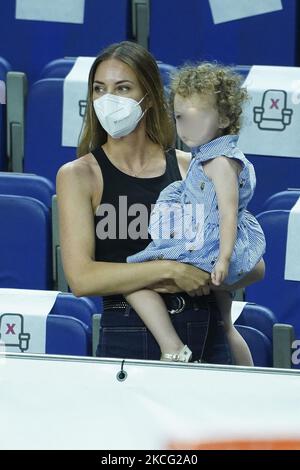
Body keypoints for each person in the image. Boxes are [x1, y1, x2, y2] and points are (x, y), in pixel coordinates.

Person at [56, 42, 265, 363]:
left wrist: (201, 274)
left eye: (122, 88)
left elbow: (253, 265)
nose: (108, 99)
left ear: (150, 97)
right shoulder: (78, 175)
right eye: (99, 89)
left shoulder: (191, 167)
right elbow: (81, 279)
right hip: (127, 333)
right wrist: (170, 271)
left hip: (206, 327)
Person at [126, 63, 266, 365]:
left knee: (133, 279)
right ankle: (248, 377)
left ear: (225, 118)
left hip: (209, 246)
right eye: (179, 118)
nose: (185, 127)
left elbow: (229, 213)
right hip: (206, 240)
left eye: (195, 118)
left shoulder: (219, 162)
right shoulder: (205, 158)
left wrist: (223, 259)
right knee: (225, 324)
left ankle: (172, 346)